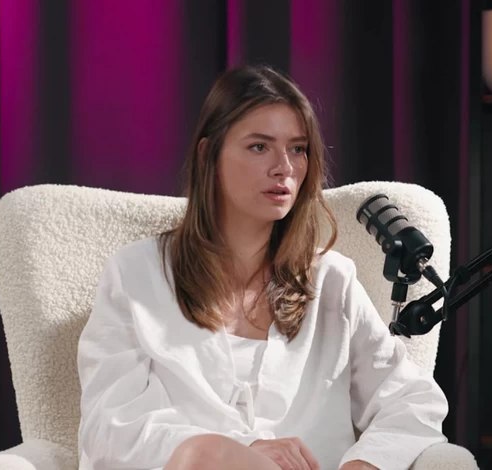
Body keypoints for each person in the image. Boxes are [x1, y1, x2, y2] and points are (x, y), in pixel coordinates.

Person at [75, 64, 449, 470]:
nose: (284, 167)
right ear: (208, 155)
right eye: (259, 147)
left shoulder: (331, 282)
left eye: (298, 149)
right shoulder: (137, 274)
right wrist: (231, 451)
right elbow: (108, 427)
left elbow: (413, 402)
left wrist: (365, 465)